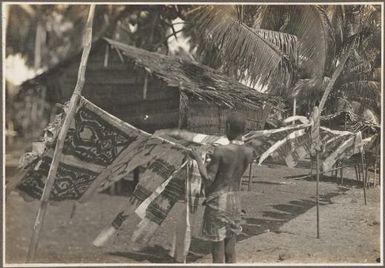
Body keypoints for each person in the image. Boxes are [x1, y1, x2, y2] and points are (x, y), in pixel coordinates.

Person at [189, 112, 254, 263]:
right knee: (230, 250)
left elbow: (208, 179)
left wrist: (198, 160)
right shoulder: (249, 152)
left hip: (219, 202)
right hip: (235, 202)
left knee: (217, 252)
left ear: (228, 127)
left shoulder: (221, 151)